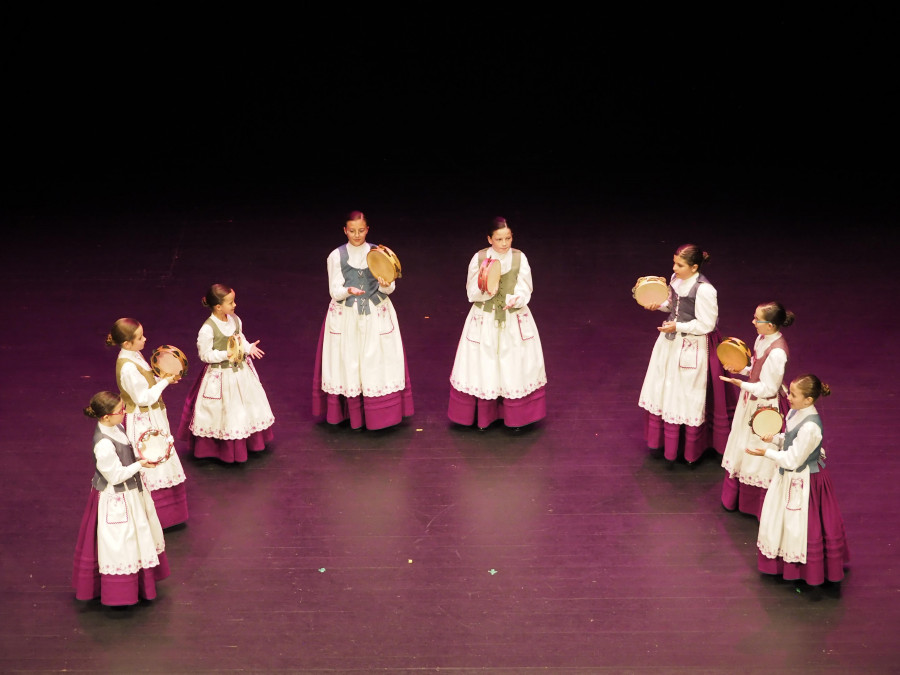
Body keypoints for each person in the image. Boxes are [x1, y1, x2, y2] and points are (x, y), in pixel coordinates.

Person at [312, 211, 414, 430]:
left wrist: (385, 283)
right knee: (348, 360)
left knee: (376, 361)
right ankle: (352, 413)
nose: (356, 235)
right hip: (347, 316)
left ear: (367, 230)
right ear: (345, 230)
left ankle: (379, 414)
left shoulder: (379, 253)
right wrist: (348, 290)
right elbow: (334, 290)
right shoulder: (336, 256)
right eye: (352, 231)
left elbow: (390, 287)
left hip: (375, 313)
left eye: (361, 230)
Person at [746, 374, 850, 586]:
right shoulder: (796, 412)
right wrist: (775, 438)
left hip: (804, 481)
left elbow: (793, 459)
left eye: (793, 394)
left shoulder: (810, 427)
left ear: (808, 400)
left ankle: (806, 569)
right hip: (791, 476)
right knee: (785, 519)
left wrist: (766, 453)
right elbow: (790, 440)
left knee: (803, 523)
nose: (788, 397)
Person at [638, 243, 734, 465]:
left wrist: (678, 327)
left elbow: (707, 325)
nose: (674, 267)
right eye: (674, 262)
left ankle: (689, 448)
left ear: (694, 267)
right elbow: (673, 305)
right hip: (671, 342)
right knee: (667, 388)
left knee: (687, 394)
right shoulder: (675, 279)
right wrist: (659, 306)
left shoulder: (705, 290)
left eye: (680, 264)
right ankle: (667, 443)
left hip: (693, 346)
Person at [448, 217, 547, 429]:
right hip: (485, 318)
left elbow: (525, 287)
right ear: (489, 239)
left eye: (508, 238)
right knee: (484, 365)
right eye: (499, 239)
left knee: (513, 365)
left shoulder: (520, 258)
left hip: (512, 318)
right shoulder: (479, 257)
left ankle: (516, 417)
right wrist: (485, 291)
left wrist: (516, 299)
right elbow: (471, 292)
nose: (504, 243)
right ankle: (484, 416)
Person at [72, 391, 170, 606]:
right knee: (120, 544)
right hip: (117, 498)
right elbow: (115, 476)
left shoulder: (117, 427)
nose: (124, 413)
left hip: (131, 493)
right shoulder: (104, 444)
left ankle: (140, 584)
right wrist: (140, 465)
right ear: (106, 416)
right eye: (120, 411)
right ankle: (120, 592)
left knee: (137, 538)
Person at [177, 284, 274, 462]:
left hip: (240, 372)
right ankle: (224, 450)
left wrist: (248, 347)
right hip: (221, 376)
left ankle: (248, 442)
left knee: (244, 407)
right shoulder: (207, 329)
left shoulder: (235, 319)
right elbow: (204, 355)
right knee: (226, 412)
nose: (234, 305)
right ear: (218, 306)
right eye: (230, 302)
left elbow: (240, 339)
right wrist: (225, 354)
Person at [108, 318, 188, 529]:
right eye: (140, 337)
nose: (145, 339)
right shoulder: (127, 368)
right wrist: (165, 381)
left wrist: (160, 375)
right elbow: (143, 398)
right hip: (143, 420)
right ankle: (158, 517)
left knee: (163, 455)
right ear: (126, 343)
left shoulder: (134, 354)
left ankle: (171, 515)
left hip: (152, 416)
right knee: (153, 459)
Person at [719, 302, 793, 517]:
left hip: (763, 407)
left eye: (757, 319)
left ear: (770, 325)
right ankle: (736, 498)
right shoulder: (761, 339)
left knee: (757, 450)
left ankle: (756, 505)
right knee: (742, 443)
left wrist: (740, 384)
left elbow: (768, 387)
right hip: (751, 399)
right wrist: (741, 370)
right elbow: (757, 372)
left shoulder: (778, 353)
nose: (753, 322)